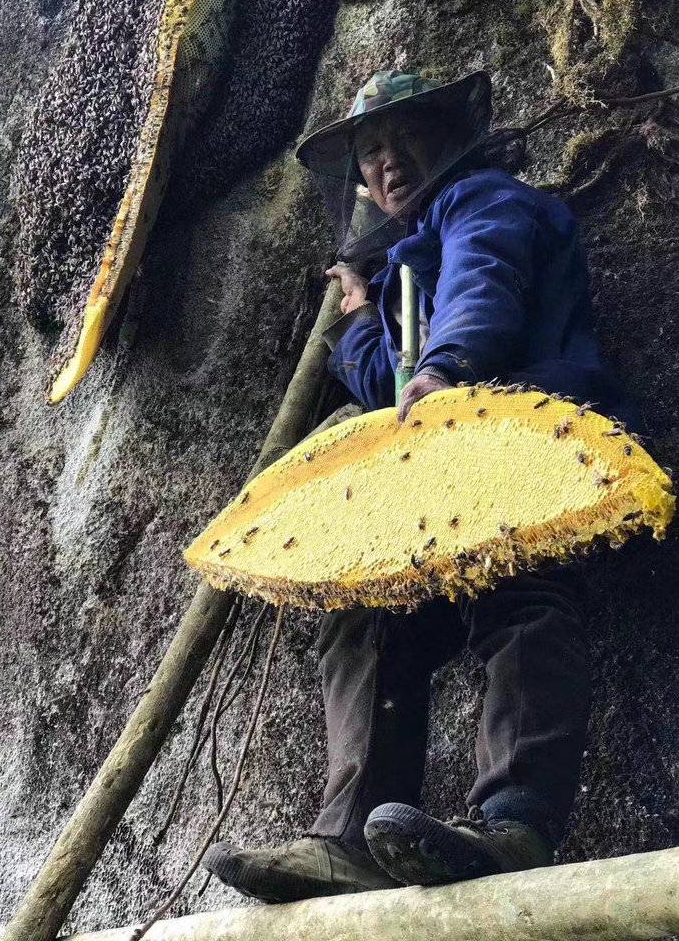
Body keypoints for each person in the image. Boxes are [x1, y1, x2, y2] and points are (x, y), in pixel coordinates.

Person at [201, 70, 636, 902]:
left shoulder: (484, 201)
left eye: (403, 140)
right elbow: (393, 388)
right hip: (446, 462)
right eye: (369, 154)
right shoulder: (407, 262)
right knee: (367, 617)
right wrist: (367, 324)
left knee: (522, 589)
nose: (386, 164)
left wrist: (447, 366)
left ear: (451, 137)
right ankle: (348, 843)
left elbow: (486, 285)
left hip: (526, 436)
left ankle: (515, 822)